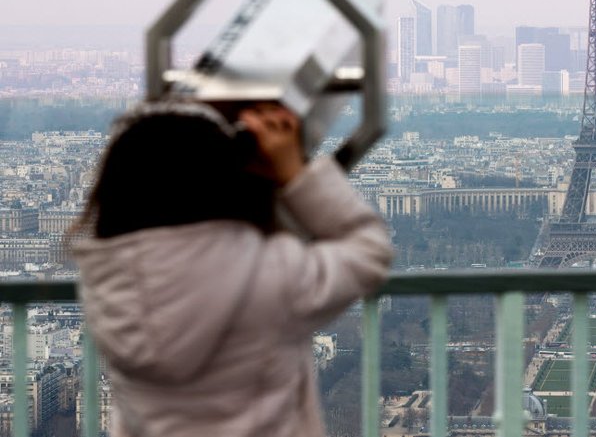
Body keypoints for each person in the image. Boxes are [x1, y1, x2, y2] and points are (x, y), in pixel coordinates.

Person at [73, 100, 393, 437]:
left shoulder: (105, 284)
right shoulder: (268, 274)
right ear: (226, 184)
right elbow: (368, 250)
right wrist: (296, 175)